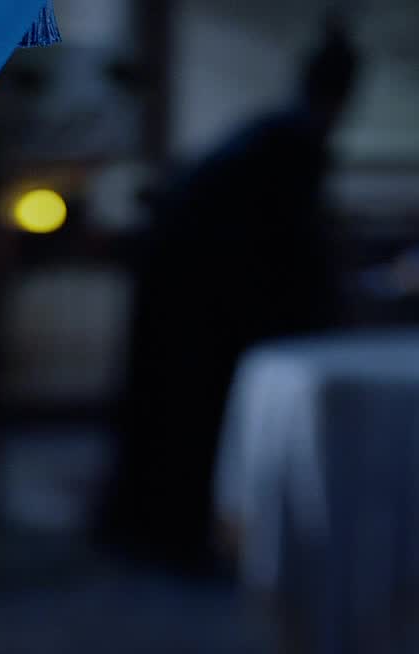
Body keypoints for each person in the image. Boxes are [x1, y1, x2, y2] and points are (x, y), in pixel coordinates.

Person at [101, 14, 360, 570]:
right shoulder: (293, 140)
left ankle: (169, 533)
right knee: (189, 420)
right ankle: (174, 538)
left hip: (192, 294)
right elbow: (294, 247)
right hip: (194, 301)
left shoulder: (280, 133)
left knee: (183, 417)